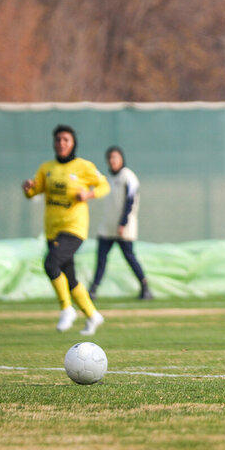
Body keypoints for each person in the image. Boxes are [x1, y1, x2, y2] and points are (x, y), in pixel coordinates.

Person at [22, 124, 110, 335]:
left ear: (73, 143)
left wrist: (88, 195)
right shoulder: (47, 168)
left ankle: (66, 309)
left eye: (66, 140)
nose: (61, 143)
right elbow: (34, 192)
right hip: (53, 230)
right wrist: (28, 189)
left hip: (74, 227)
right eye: (58, 139)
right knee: (69, 278)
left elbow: (104, 185)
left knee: (51, 263)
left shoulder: (83, 166)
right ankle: (92, 315)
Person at [88, 146, 153, 301]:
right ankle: (93, 289)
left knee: (129, 257)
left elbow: (130, 200)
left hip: (124, 227)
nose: (113, 161)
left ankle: (145, 287)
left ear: (122, 159)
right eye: (110, 158)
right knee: (101, 258)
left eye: (115, 157)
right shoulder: (107, 179)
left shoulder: (128, 176)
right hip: (107, 226)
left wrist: (123, 222)